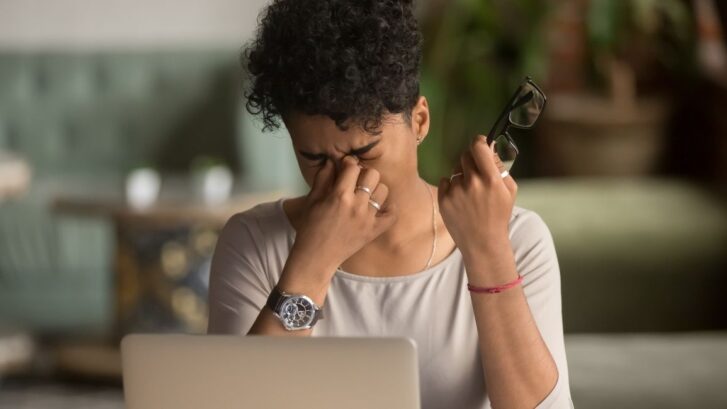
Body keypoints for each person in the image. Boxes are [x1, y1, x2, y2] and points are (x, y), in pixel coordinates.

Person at [207, 0, 573, 408]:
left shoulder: (519, 238)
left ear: (419, 121)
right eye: (315, 159)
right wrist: (313, 261)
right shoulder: (253, 243)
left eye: (366, 151)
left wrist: (487, 249)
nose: (346, 178)